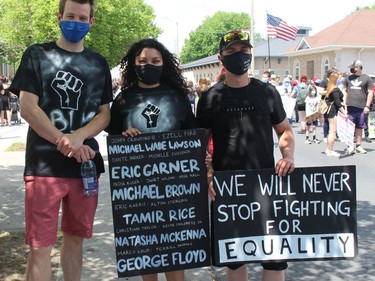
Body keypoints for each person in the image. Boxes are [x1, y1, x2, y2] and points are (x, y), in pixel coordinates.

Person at [10, 0, 112, 280]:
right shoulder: (37, 55)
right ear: (59, 17)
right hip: (44, 168)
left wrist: (79, 137)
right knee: (39, 246)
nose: (76, 22)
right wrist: (64, 141)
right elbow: (29, 108)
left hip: (85, 167)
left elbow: (105, 114)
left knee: (76, 239)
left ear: (91, 22)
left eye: (82, 18)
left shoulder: (98, 62)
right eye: (70, 16)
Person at [196, 30, 295, 281]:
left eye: (243, 51)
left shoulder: (267, 92)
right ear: (221, 58)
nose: (238, 56)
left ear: (251, 54)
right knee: (235, 259)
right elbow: (199, 145)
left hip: (267, 186)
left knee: (273, 260)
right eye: (231, 52)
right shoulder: (209, 98)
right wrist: (208, 176)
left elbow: (284, 131)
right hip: (228, 188)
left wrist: (288, 155)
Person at [105, 38, 198, 281]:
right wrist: (124, 136)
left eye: (155, 61)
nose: (149, 65)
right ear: (133, 64)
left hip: (175, 186)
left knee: (175, 247)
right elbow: (114, 137)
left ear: (164, 64)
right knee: (147, 247)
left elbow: (191, 135)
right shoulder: (123, 99)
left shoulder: (177, 97)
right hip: (139, 189)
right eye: (143, 61)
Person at [343, 60, 374, 154]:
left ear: (358, 68)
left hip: (361, 107)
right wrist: (344, 105)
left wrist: (367, 106)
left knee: (359, 127)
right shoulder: (349, 78)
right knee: (349, 127)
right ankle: (349, 146)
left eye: (353, 67)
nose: (352, 69)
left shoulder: (367, 78)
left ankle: (358, 145)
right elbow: (345, 91)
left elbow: (370, 93)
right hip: (350, 106)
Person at [324, 71, 347, 157]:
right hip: (333, 111)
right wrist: (344, 113)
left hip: (329, 111)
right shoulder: (335, 90)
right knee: (332, 132)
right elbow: (338, 103)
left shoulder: (330, 88)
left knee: (331, 131)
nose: (340, 79)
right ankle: (330, 150)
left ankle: (328, 149)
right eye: (338, 78)